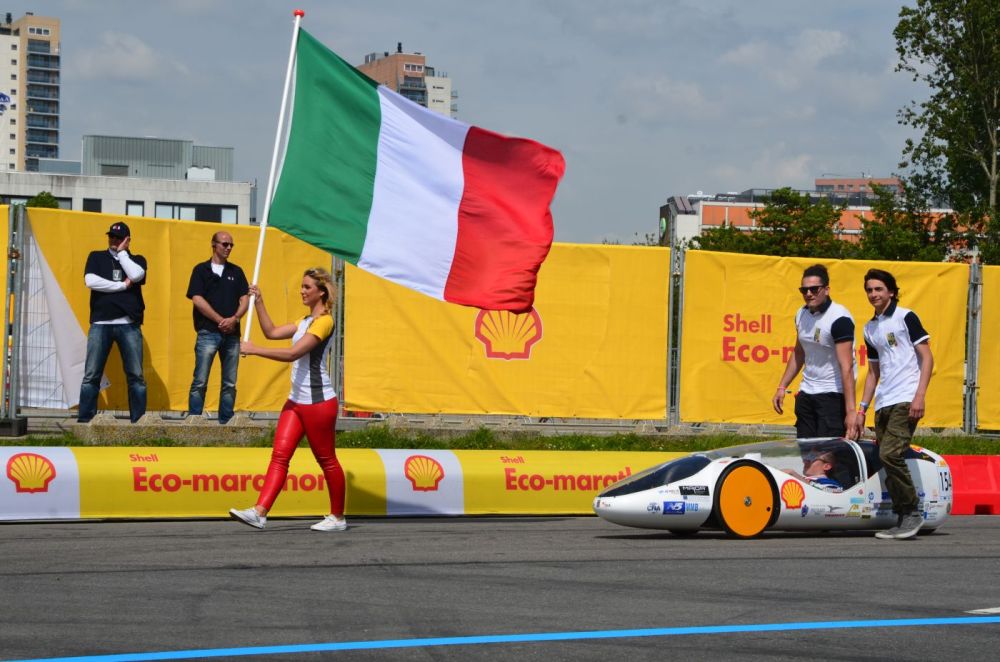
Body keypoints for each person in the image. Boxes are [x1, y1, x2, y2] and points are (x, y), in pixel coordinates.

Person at [229, 267, 347, 532]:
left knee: (327, 460)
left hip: (318, 403)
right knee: (279, 456)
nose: (302, 291)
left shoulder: (325, 322)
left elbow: (294, 354)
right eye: (302, 286)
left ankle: (338, 517)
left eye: (307, 287)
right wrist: (259, 302)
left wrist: (254, 350)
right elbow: (271, 331)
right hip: (295, 402)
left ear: (321, 292)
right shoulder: (304, 320)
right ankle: (259, 512)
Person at [856, 269, 933, 540]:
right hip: (884, 402)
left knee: (891, 454)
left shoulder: (906, 317)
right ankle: (901, 517)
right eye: (869, 290)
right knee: (885, 457)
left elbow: (927, 358)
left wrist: (919, 395)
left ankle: (912, 512)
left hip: (906, 398)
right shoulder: (869, 328)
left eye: (878, 289)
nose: (873, 294)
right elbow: (873, 372)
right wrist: (861, 408)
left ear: (891, 291)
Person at [772, 264, 857, 438]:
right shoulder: (801, 314)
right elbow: (799, 353)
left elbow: (846, 367)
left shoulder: (839, 318)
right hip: (806, 394)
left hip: (832, 396)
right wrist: (782, 386)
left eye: (814, 289)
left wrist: (851, 412)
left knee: (827, 459)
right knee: (807, 455)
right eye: (804, 290)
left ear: (826, 289)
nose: (808, 294)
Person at [78, 221, 148, 424]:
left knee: (136, 375)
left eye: (118, 238)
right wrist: (120, 287)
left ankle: (140, 421)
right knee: (92, 374)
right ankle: (85, 421)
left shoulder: (137, 260)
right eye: (111, 237)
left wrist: (123, 253)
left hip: (129, 324)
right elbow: (90, 281)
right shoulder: (96, 257)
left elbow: (136, 275)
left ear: (127, 240)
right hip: (100, 323)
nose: (113, 240)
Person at [185, 231, 249, 424]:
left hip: (232, 335)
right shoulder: (201, 270)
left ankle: (226, 421)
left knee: (229, 382)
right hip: (207, 332)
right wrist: (221, 320)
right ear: (213, 245)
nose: (228, 248)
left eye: (231, 245)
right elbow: (197, 299)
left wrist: (235, 318)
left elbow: (244, 299)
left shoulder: (236, 272)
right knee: (200, 380)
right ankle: (195, 420)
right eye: (225, 244)